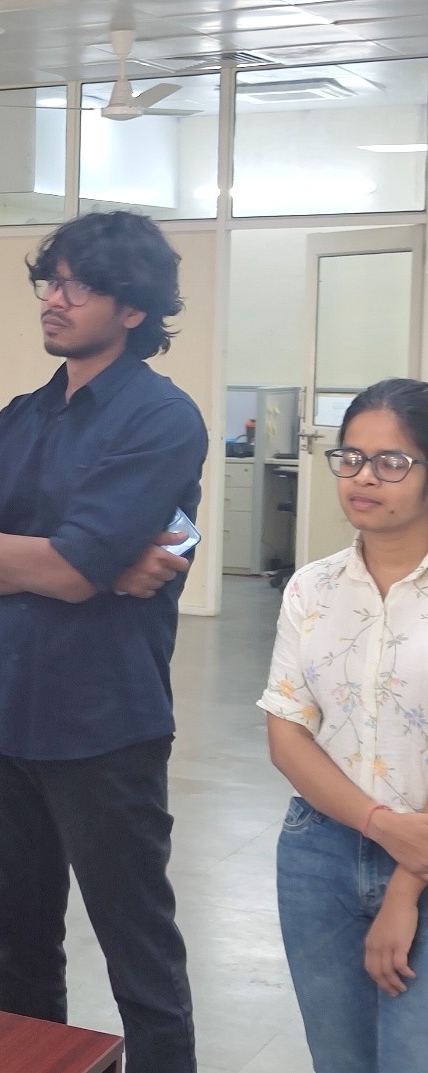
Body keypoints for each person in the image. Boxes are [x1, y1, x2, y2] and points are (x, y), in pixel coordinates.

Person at [0, 211, 205, 1072]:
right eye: (50, 278)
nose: (56, 297)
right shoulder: (21, 416)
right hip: (5, 717)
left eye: (79, 283)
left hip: (106, 726)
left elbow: (57, 566)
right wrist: (70, 561)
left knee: (140, 956)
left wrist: (56, 560)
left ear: (134, 307)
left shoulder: (161, 418)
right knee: (18, 947)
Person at [262, 378, 428, 1072]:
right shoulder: (311, 588)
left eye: (392, 461)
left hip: (424, 856)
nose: (364, 477)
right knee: (341, 1060)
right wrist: (381, 825)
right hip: (320, 853)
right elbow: (287, 733)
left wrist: (406, 877)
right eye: (351, 457)